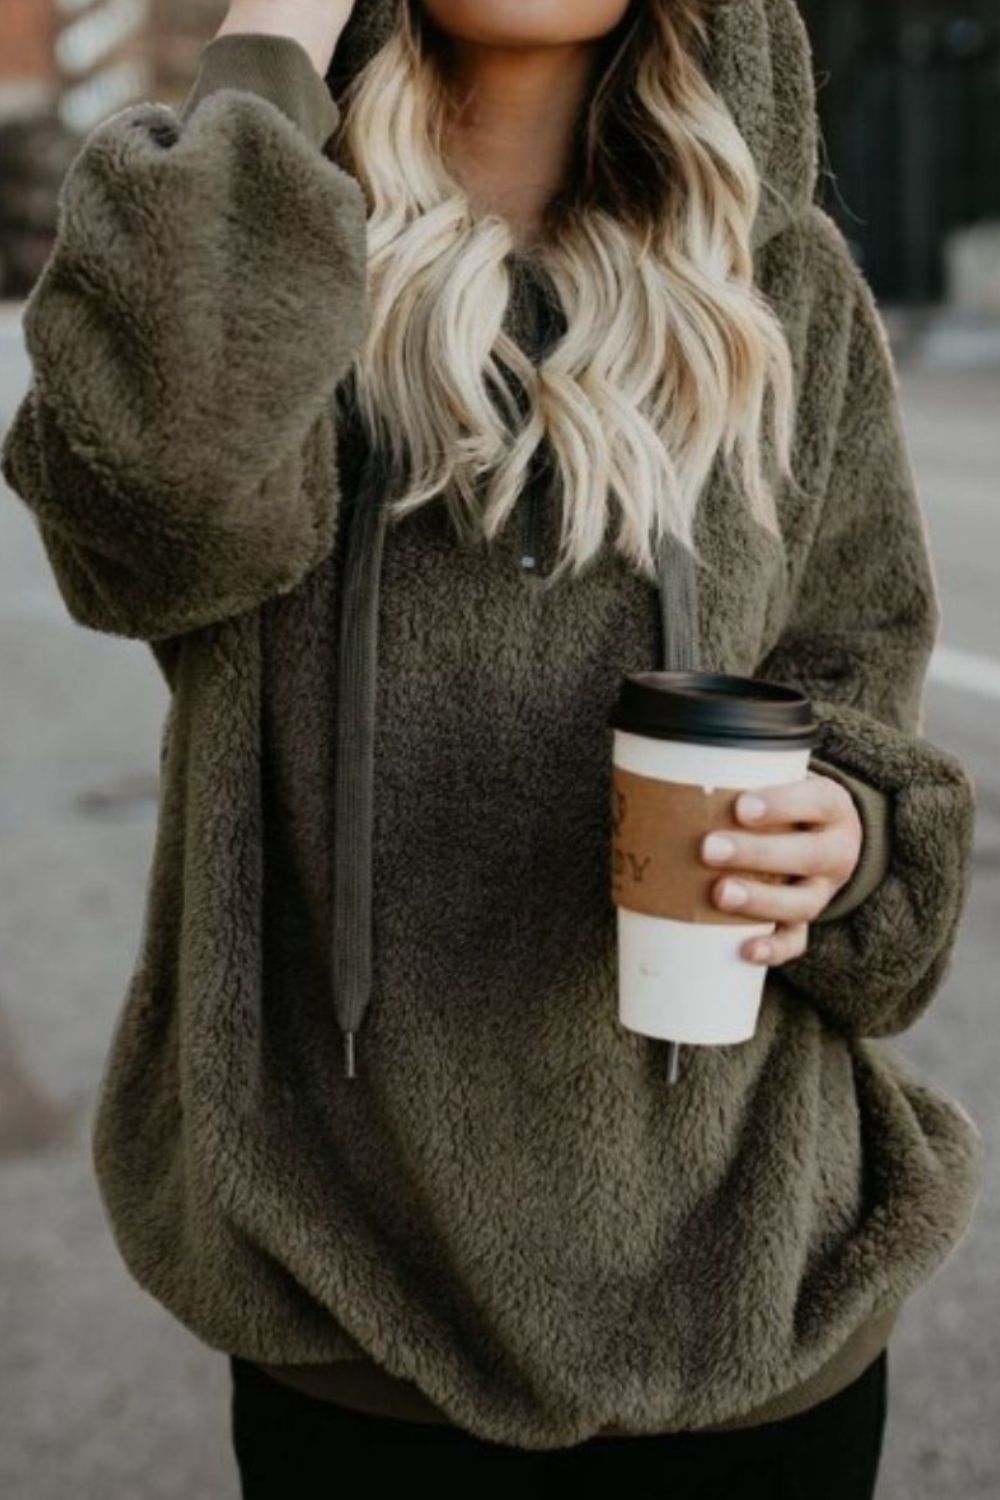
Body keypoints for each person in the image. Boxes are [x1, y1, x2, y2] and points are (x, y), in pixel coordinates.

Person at [1, 0, 983, 1495]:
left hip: (755, 1303)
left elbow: (856, 703)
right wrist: (267, 50)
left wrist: (842, 838)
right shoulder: (265, 244)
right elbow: (149, 511)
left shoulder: (784, 290)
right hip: (356, 1309)